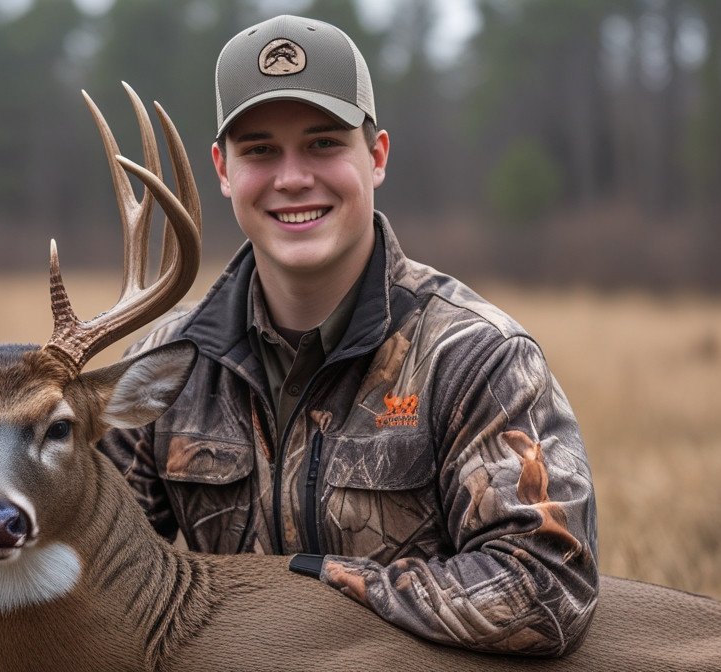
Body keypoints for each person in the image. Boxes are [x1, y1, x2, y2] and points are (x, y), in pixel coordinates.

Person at [98, 14, 598, 657]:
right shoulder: (168, 365)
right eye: (259, 151)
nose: (292, 178)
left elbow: (546, 586)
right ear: (222, 170)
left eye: (324, 144)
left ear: (377, 156)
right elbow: (94, 566)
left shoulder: (475, 358)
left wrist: (319, 586)